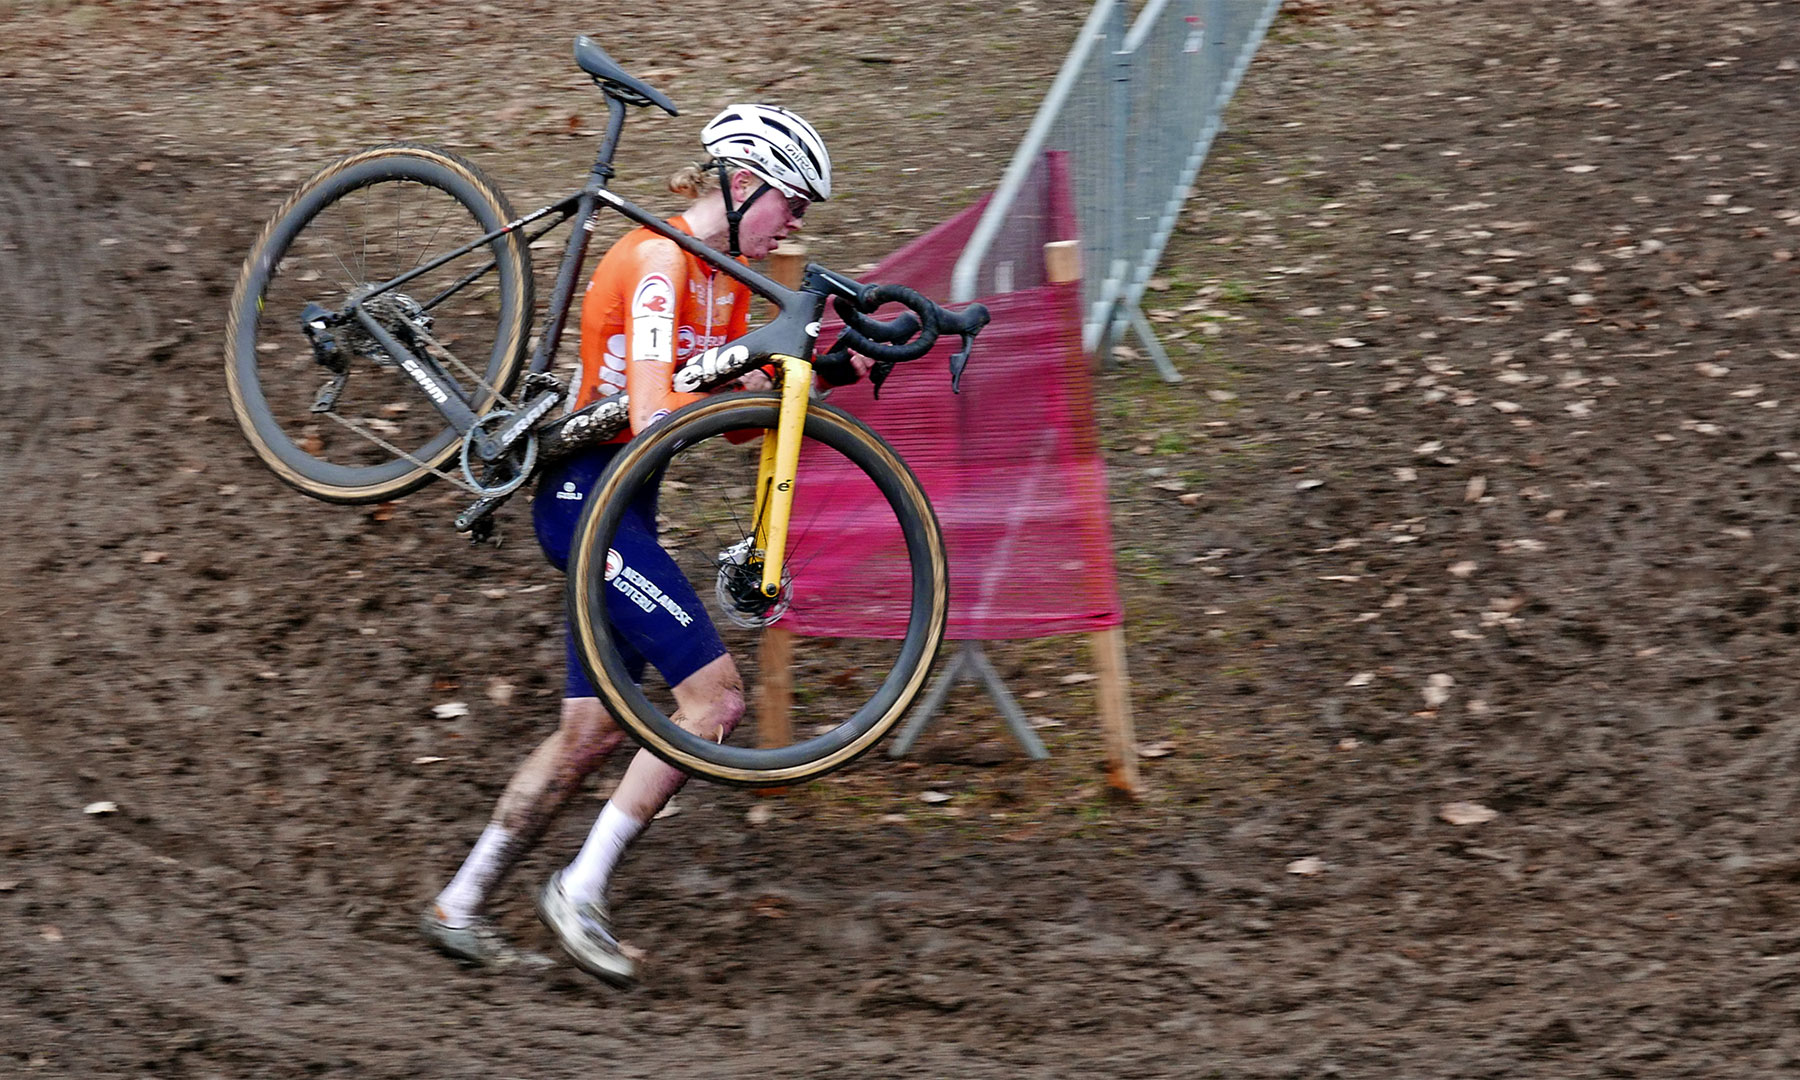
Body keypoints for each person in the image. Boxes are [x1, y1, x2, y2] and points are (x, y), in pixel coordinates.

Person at [420, 104, 834, 986]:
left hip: (619, 507)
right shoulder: (659, 261)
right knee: (715, 701)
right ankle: (582, 888)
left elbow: (722, 433)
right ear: (745, 181)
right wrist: (733, 380)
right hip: (587, 497)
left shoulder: (725, 284)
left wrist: (785, 375)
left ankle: (462, 900)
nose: (797, 225)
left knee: (591, 729)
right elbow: (653, 419)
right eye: (793, 203)